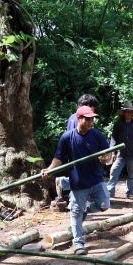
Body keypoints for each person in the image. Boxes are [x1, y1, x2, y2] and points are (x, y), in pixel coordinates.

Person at [42, 106, 112, 255]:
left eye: (92, 119)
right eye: (87, 119)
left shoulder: (97, 136)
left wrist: (106, 159)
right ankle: (78, 243)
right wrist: (49, 169)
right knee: (75, 213)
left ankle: (85, 208)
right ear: (78, 119)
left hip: (96, 179)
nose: (90, 122)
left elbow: (108, 155)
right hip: (79, 182)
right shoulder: (67, 137)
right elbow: (59, 157)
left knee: (105, 205)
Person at [55, 94, 100, 205]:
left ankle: (64, 184)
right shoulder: (80, 119)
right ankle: (75, 205)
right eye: (92, 108)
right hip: (79, 155)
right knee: (80, 182)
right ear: (87, 105)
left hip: (74, 154)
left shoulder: (72, 117)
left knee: (78, 179)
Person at [106, 102, 133, 199]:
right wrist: (113, 152)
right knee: (114, 172)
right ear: (123, 113)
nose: (129, 114)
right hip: (120, 154)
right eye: (127, 112)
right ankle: (109, 193)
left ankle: (130, 193)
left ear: (132, 113)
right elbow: (113, 138)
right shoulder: (118, 124)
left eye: (131, 112)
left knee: (132, 174)